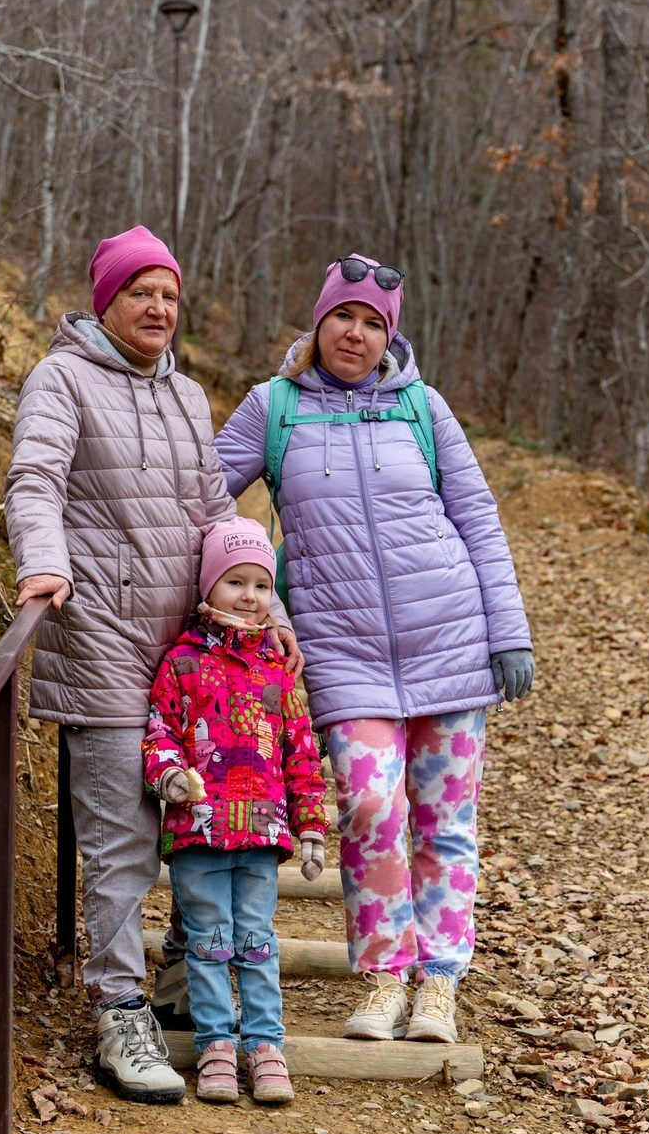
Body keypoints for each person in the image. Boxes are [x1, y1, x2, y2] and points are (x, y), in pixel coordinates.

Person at [3, 226, 300, 1104]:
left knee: (201, 828)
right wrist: (41, 561)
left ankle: (177, 977)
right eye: (141, 292)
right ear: (107, 300)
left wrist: (267, 612)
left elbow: (217, 512)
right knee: (123, 842)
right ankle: (121, 1008)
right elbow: (35, 479)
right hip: (99, 642)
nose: (159, 309)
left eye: (169, 295)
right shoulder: (61, 378)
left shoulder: (184, 394)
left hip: (192, 663)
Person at [213, 254, 534, 1045]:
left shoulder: (423, 408)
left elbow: (478, 520)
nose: (354, 333)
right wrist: (263, 590)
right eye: (342, 317)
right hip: (340, 650)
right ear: (318, 322)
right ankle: (385, 975)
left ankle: (439, 984)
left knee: (446, 823)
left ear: (388, 334)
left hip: (449, 640)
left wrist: (509, 630)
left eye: (371, 322)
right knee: (367, 805)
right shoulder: (274, 409)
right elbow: (200, 504)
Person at [142, 517, 329, 1104]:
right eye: (235, 582)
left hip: (262, 834)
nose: (249, 597)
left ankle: (264, 1043)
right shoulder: (181, 663)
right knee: (207, 938)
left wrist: (312, 826)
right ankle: (216, 1043)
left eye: (260, 585)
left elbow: (300, 750)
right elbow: (160, 733)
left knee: (256, 938)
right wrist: (169, 775)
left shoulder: (276, 668)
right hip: (199, 829)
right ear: (208, 587)